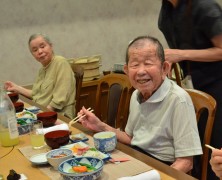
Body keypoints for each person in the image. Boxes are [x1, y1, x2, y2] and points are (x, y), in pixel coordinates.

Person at [78, 36, 202, 173]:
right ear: (126, 70)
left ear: (165, 68)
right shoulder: (136, 94)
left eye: (148, 63)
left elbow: (185, 162)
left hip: (164, 166)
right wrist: (99, 125)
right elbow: (130, 138)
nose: (141, 71)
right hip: (137, 158)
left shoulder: (178, 100)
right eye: (135, 65)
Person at [158, 0, 222, 179]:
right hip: (193, 82)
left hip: (217, 84)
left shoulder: (204, 6)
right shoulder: (168, 8)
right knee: (200, 143)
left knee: (215, 145)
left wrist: (181, 54)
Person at [5, 33, 76, 119]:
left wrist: (39, 116)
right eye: (35, 50)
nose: (40, 51)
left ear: (51, 46)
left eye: (42, 46)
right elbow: (36, 94)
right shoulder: (42, 70)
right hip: (41, 111)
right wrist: (16, 88)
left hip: (59, 116)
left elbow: (59, 100)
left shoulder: (60, 62)